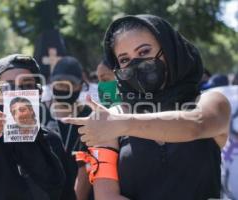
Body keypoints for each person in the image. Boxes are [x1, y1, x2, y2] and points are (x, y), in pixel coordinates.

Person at [63, 14, 231, 200]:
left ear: (170, 51)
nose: (136, 64)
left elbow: (196, 125)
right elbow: (107, 196)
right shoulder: (112, 118)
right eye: (125, 60)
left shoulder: (212, 102)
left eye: (144, 52)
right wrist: (117, 124)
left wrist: (124, 124)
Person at [0, 54, 68, 200]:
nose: (17, 92)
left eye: (26, 85)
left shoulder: (52, 140)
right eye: (7, 87)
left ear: (39, 93)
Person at [44, 56, 93, 200]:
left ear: (81, 86)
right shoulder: (40, 115)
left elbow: (86, 168)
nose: (65, 89)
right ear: (52, 84)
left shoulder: (88, 116)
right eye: (60, 84)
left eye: (70, 84)